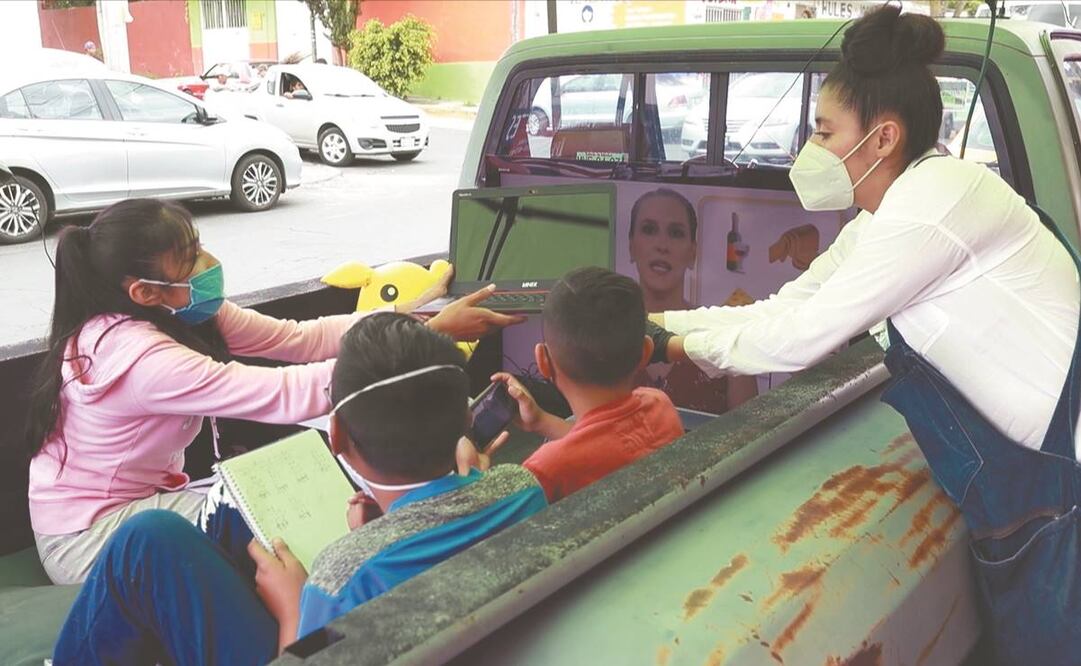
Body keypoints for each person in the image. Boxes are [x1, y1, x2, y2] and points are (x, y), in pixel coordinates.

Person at [646, 6, 1081, 662]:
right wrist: (657, 326)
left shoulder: (929, 211)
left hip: (1059, 496)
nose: (811, 148)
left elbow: (799, 338)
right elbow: (784, 306)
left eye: (824, 132)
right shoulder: (890, 213)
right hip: (1023, 492)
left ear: (881, 139)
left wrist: (670, 350)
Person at [25, 199, 520, 585]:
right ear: (144, 291)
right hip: (90, 537)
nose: (207, 263)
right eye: (189, 258)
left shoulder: (184, 311)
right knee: (286, 529)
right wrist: (427, 337)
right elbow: (283, 392)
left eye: (199, 245)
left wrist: (417, 317)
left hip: (152, 499)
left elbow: (301, 339)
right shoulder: (141, 358)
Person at [52, 313, 547, 665]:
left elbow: (312, 651)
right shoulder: (523, 487)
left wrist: (294, 607)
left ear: (337, 436)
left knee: (146, 538)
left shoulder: (339, 579)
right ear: (464, 420)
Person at [467, 267, 684, 502]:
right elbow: (606, 445)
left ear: (543, 361)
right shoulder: (659, 405)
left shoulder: (544, 471)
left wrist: (470, 478)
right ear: (646, 352)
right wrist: (541, 421)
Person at [627, 188, 757, 414]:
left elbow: (750, 431)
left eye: (676, 233)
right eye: (649, 230)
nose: (662, 245)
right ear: (631, 247)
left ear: (692, 254)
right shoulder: (602, 336)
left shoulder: (726, 338)